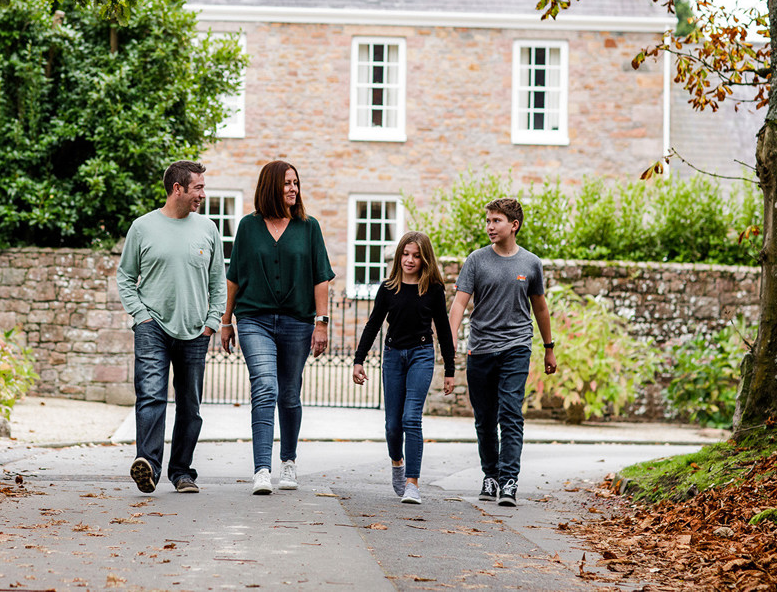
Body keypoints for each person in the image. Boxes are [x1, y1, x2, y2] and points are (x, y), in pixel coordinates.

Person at [220, 160, 335, 495]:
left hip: (297, 322)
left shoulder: (308, 227)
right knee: (265, 387)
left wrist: (321, 323)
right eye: (287, 183)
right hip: (254, 319)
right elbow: (233, 279)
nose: (293, 189)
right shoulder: (248, 226)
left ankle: (288, 461)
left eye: (296, 183)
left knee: (288, 394)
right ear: (271, 186)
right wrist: (226, 321)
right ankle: (261, 469)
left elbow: (321, 279)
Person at [116, 160, 226, 494]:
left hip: (195, 330)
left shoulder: (207, 229)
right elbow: (125, 276)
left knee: (190, 405)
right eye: (198, 188)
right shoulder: (143, 227)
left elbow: (218, 281)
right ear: (177, 189)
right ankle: (147, 463)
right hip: (152, 325)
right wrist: (140, 314)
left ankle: (182, 472)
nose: (203, 195)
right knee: (151, 395)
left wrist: (211, 322)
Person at [448, 197, 557, 507]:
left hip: (516, 347)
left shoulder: (531, 263)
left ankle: (509, 480)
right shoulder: (476, 261)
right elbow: (459, 302)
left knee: (510, 412)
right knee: (484, 418)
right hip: (481, 348)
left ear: (514, 225)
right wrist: (450, 338)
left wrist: (549, 348)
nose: (490, 227)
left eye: (496, 221)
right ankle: (490, 475)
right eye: (488, 221)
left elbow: (540, 307)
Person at [351, 231, 456, 505]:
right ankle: (397, 462)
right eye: (406, 254)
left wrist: (450, 370)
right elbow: (373, 324)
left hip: (421, 354)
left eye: (416, 256)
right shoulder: (388, 288)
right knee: (392, 425)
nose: (410, 260)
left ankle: (412, 483)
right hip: (393, 356)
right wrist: (358, 360)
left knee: (412, 419)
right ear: (399, 256)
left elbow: (444, 330)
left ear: (425, 259)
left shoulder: (432, 289)